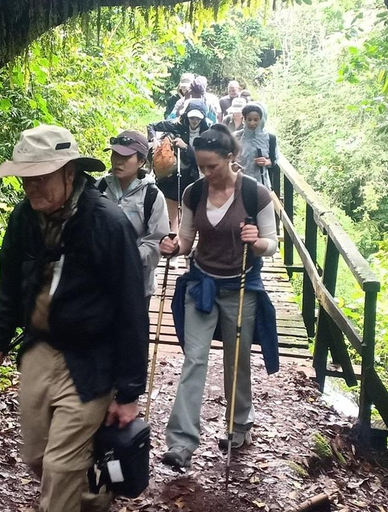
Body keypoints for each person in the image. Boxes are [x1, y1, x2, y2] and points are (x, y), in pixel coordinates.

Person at [0, 125, 149, 512]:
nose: (32, 189)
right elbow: (10, 281)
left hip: (91, 358)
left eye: (41, 179)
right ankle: (93, 497)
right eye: (27, 180)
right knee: (37, 456)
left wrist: (128, 392)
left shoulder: (107, 223)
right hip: (40, 347)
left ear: (69, 173)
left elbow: (131, 310)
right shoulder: (24, 217)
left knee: (59, 468)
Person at [158, 124, 279, 469]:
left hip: (241, 288)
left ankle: (238, 425)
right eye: (201, 166)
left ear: (231, 157)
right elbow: (185, 240)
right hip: (201, 286)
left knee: (236, 362)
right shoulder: (194, 193)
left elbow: (271, 244)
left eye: (212, 166)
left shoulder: (255, 194)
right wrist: (172, 247)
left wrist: (256, 241)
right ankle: (181, 443)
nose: (206, 173)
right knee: (194, 360)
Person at [96, 131, 170, 309]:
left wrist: (126, 259)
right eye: (115, 154)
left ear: (141, 161)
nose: (118, 161)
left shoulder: (152, 196)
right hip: (98, 283)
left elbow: (155, 242)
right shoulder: (98, 188)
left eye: (125, 156)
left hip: (136, 284)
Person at [148, 102, 212, 266]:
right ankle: (175, 251)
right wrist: (154, 139)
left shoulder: (208, 131)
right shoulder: (176, 126)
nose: (194, 120)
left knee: (189, 216)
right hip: (173, 177)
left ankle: (190, 252)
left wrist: (186, 147)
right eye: (192, 117)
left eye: (198, 117)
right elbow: (152, 125)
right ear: (187, 115)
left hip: (194, 178)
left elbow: (201, 157)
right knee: (174, 216)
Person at [238, 103, 281, 189]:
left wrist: (267, 162)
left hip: (262, 183)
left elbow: (275, 159)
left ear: (261, 119)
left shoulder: (270, 138)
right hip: (239, 183)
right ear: (244, 119)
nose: (252, 123)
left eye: (256, 119)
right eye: (249, 119)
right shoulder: (236, 137)